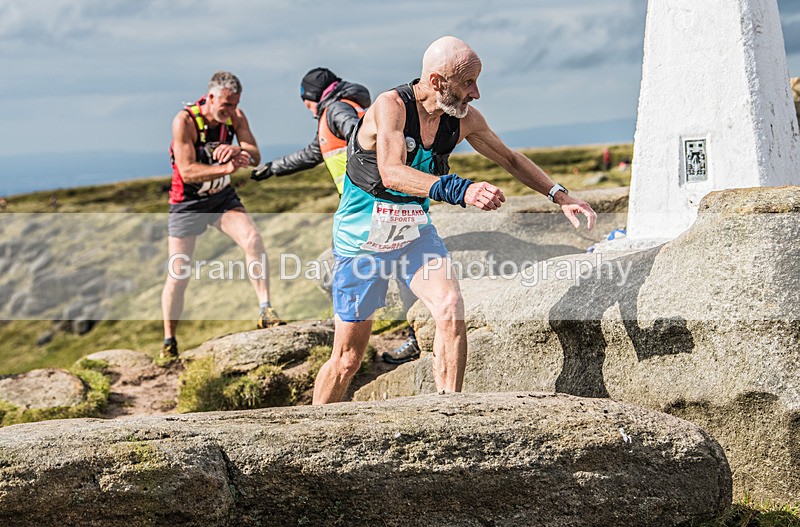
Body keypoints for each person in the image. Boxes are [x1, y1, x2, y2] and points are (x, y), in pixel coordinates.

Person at [312, 36, 596, 404]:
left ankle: (448, 412)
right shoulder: (391, 106)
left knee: (449, 306)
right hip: (362, 239)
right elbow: (391, 173)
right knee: (348, 359)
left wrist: (560, 195)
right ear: (436, 81)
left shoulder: (463, 119)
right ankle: (313, 424)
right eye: (468, 83)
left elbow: (510, 159)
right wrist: (460, 189)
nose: (476, 93)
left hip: (413, 231)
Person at [251, 68, 422, 365]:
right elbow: (311, 153)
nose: (306, 107)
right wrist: (272, 168)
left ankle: (396, 337)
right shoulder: (338, 111)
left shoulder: (336, 110)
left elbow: (359, 135)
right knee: (388, 266)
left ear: (311, 97)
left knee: (359, 268)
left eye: (304, 100)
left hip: (367, 204)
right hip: (369, 203)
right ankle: (389, 333)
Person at [160, 71, 282, 359]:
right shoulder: (185, 121)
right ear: (211, 97)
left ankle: (265, 310)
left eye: (235, 104)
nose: (230, 110)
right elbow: (187, 171)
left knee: (253, 240)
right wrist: (226, 169)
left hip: (221, 197)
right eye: (226, 104)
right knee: (178, 273)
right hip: (188, 202)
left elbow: (254, 155)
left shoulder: (236, 116)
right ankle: (169, 341)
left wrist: (237, 150)